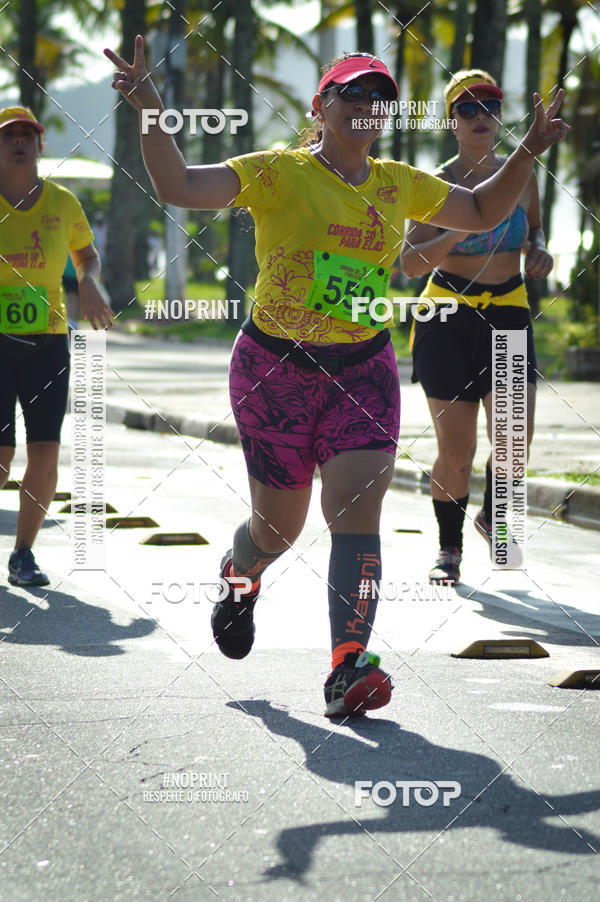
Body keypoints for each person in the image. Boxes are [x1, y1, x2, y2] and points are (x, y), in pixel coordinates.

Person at [106, 38, 567, 717]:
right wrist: (149, 105)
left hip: (362, 369)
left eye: (380, 96)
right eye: (353, 92)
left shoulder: (398, 184)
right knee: (278, 529)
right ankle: (241, 576)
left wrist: (526, 149)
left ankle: (348, 667)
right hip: (275, 370)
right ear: (321, 105)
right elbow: (179, 186)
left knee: (357, 512)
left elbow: (477, 212)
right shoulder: (277, 172)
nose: (368, 105)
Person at [401, 70, 556, 586]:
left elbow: (534, 232)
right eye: (467, 109)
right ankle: (449, 549)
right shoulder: (433, 185)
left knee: (514, 438)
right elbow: (408, 263)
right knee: (457, 447)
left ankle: (494, 515)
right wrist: (457, 229)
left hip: (509, 309)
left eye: (489, 106)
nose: (480, 117)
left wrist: (539, 251)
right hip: (446, 315)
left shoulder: (522, 174)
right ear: (452, 122)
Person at [0, 106, 114, 587]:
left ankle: (23, 553)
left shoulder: (64, 202)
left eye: (29, 134)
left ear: (41, 145)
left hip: (48, 341)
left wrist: (89, 283)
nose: (20, 141)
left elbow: (86, 256)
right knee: (1, 456)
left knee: (45, 450)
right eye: (10, 136)